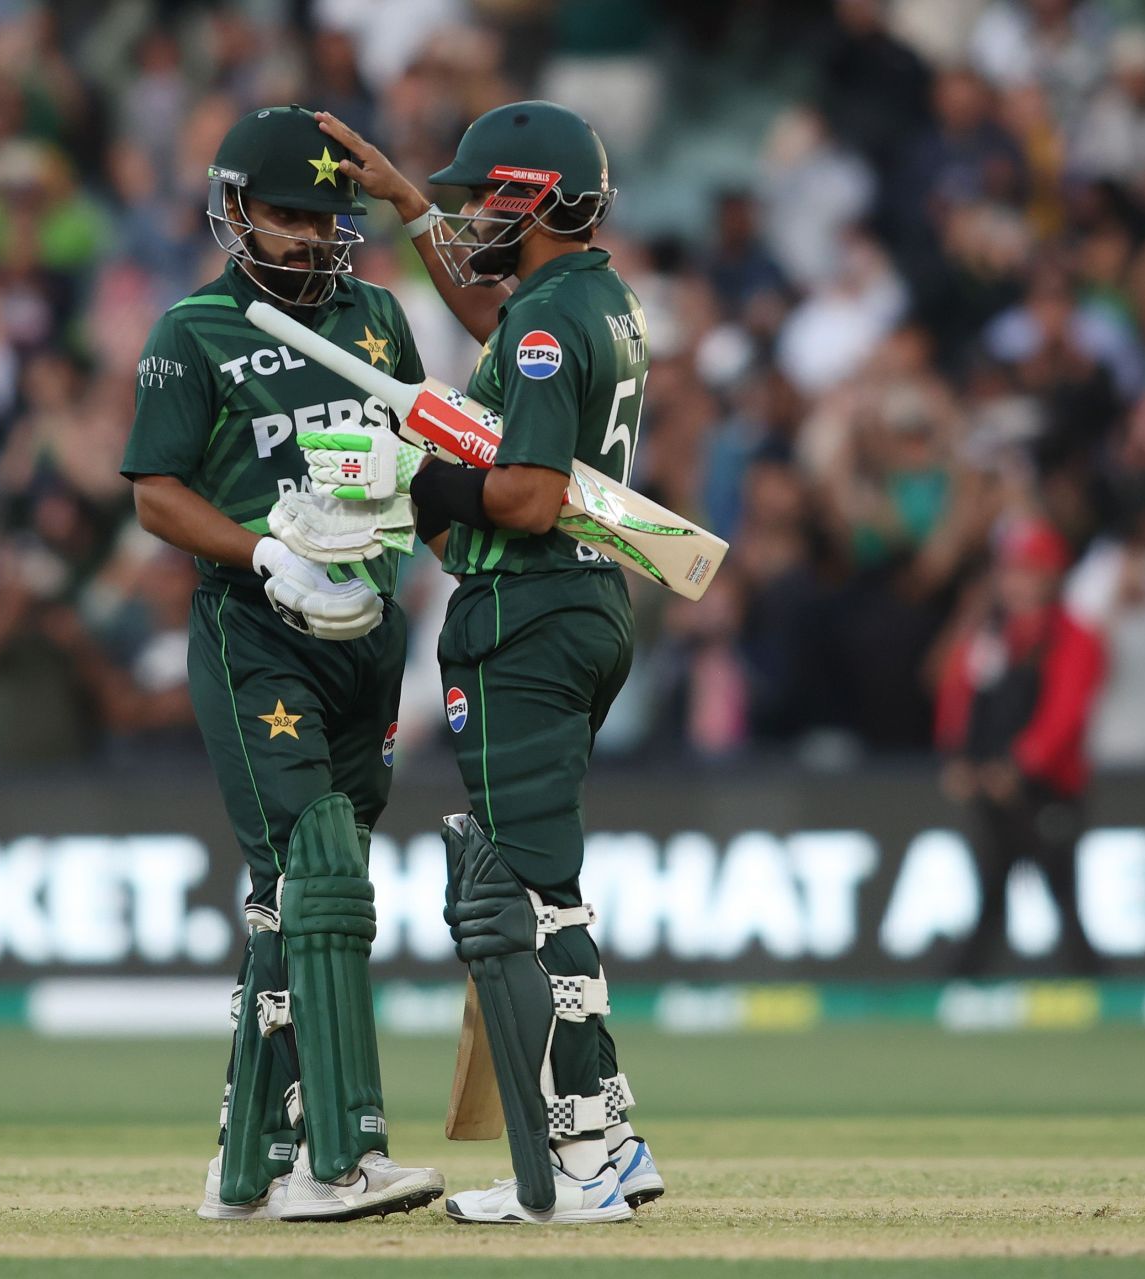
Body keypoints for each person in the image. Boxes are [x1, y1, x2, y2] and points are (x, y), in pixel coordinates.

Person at [312, 100, 664, 1224]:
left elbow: (526, 491)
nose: (469, 218)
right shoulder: (590, 299)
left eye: (479, 200)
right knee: (539, 883)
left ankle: (584, 1161)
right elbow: (494, 321)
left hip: (528, 607)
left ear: (535, 200)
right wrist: (411, 206)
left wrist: (412, 481)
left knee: (518, 894)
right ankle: (607, 1133)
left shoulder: (554, 323)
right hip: (583, 601)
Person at [119, 104, 441, 1223]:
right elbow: (158, 494)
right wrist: (262, 550)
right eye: (288, 213)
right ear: (237, 209)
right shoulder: (192, 330)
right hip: (254, 629)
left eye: (324, 216)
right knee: (321, 870)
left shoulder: (382, 319)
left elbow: (418, 467)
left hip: (369, 629)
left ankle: (245, 1167)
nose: (309, 235)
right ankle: (342, 1157)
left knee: (296, 900)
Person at [936, 518, 1107, 977]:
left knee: (1061, 891)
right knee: (992, 891)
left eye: (1025, 570)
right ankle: (963, 982)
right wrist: (959, 759)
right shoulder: (990, 634)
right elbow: (958, 696)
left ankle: (1091, 983)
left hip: (1047, 792)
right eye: (1009, 570)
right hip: (993, 790)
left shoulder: (1074, 636)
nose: (1013, 582)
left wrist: (1019, 765)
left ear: (1050, 575)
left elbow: (1065, 716)